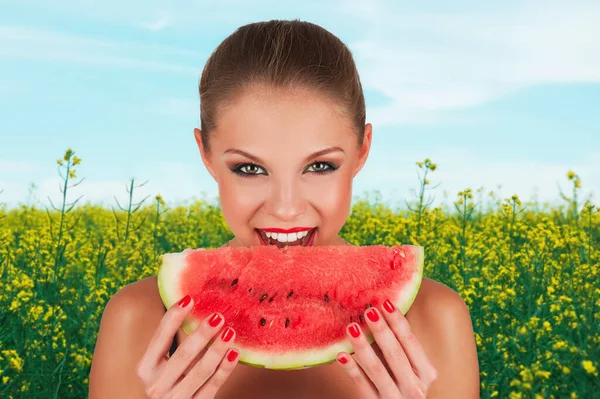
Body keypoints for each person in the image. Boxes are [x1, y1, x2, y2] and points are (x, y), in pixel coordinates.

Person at [89, 19, 480, 398]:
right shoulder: (138, 321)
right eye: (249, 169)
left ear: (362, 151)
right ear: (206, 155)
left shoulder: (435, 319)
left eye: (320, 166)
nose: (286, 208)